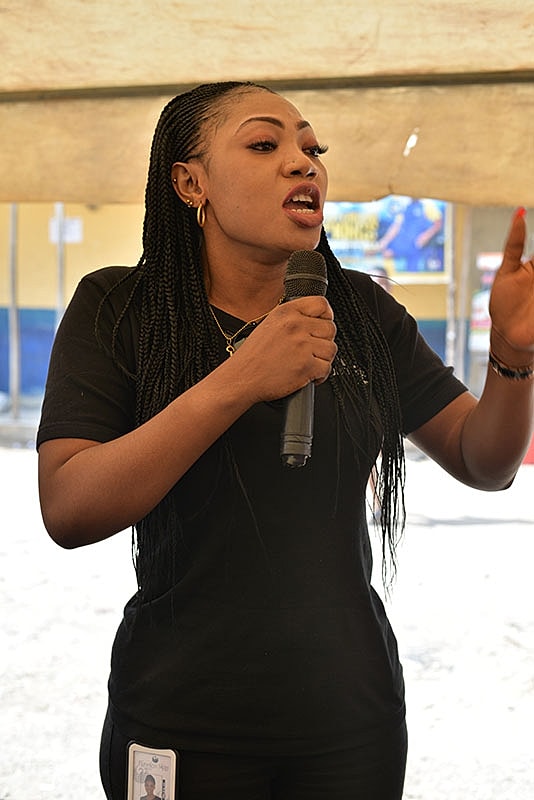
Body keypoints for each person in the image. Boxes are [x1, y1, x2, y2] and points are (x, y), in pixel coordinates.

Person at [36, 81, 534, 800]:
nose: (303, 163)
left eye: (311, 148)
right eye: (265, 144)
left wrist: (512, 356)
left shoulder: (361, 312)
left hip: (349, 722)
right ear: (191, 183)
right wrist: (242, 378)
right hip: (182, 722)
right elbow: (69, 506)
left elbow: (483, 461)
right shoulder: (119, 308)